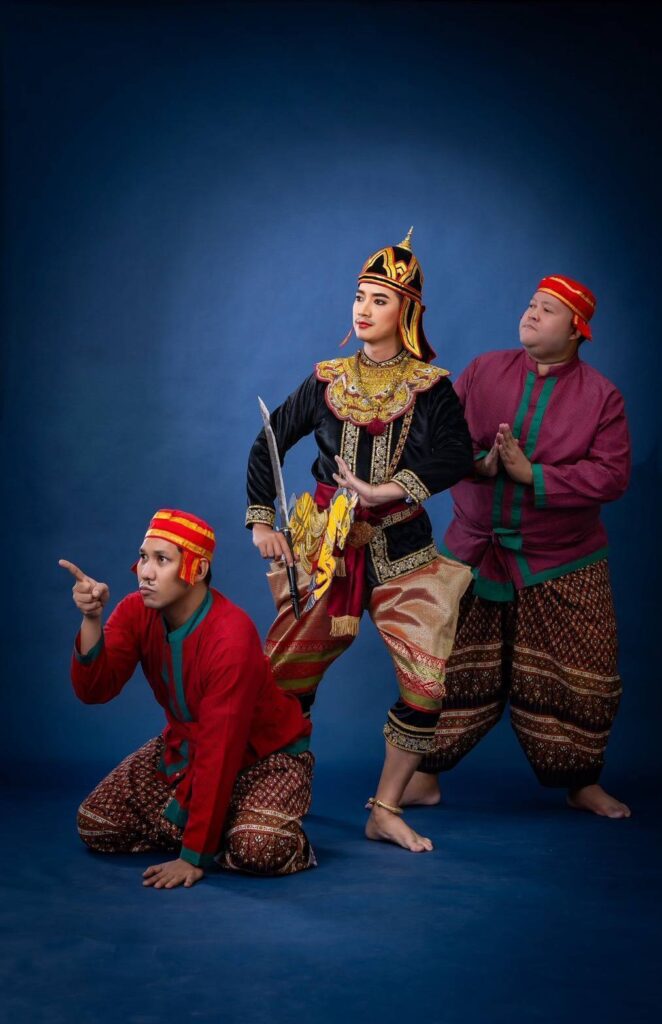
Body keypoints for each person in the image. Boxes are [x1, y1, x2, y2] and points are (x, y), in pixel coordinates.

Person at [246, 230, 473, 853]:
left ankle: (387, 807)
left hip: (405, 554)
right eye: (359, 296)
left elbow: (456, 453)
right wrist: (262, 521)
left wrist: (385, 490)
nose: (364, 309)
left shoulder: (430, 385)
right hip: (327, 555)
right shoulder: (326, 379)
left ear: (407, 311)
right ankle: (269, 793)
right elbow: (269, 442)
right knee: (285, 679)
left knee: (426, 685)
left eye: (379, 299)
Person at [402, 274, 632, 818]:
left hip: (563, 561)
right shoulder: (483, 370)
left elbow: (612, 476)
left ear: (576, 331)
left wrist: (535, 476)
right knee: (443, 668)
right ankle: (424, 776)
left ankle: (581, 783)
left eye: (548, 310)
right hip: (471, 552)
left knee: (580, 677)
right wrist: (476, 464)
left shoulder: (602, 397)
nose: (531, 313)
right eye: (531, 304)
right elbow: (436, 441)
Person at [60, 508, 315, 888]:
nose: (145, 572)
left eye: (162, 560)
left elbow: (221, 747)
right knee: (97, 824)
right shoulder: (135, 611)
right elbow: (95, 690)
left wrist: (193, 856)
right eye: (143, 557)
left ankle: (239, 829)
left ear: (197, 570)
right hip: (187, 749)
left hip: (266, 757)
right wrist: (92, 619)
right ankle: (225, 821)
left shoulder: (231, 636)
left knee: (259, 848)